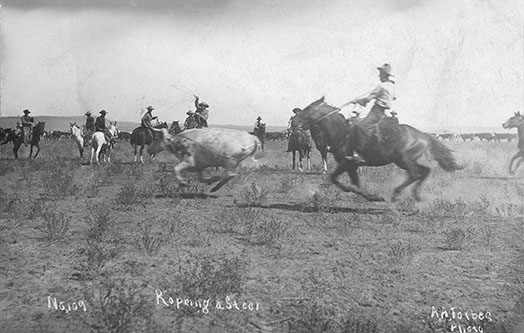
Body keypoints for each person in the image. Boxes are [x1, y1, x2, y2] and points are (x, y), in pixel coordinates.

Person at [346, 63, 396, 163]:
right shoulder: (391, 86)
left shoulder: (381, 86)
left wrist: (356, 101)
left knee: (360, 127)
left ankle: (359, 155)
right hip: (384, 113)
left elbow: (368, 99)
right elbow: (394, 97)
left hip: (376, 112)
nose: (379, 75)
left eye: (380, 73)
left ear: (383, 75)